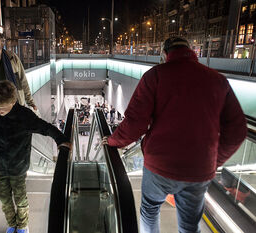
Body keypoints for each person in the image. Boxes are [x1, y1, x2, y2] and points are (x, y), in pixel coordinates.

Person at [103, 37, 247, 233]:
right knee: (189, 225)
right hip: (199, 169)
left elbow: (136, 122)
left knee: (150, 210)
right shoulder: (218, 80)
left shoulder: (155, 76)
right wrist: (214, 160)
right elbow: (238, 129)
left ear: (164, 53)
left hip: (159, 165)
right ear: (192, 51)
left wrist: (113, 141)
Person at [0, 80, 70, 233]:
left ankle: (23, 225)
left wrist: (61, 140)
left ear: (13, 101)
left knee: (20, 199)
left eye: (1, 107)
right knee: (5, 200)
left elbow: (45, 127)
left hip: (18, 166)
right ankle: (12, 224)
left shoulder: (25, 116)